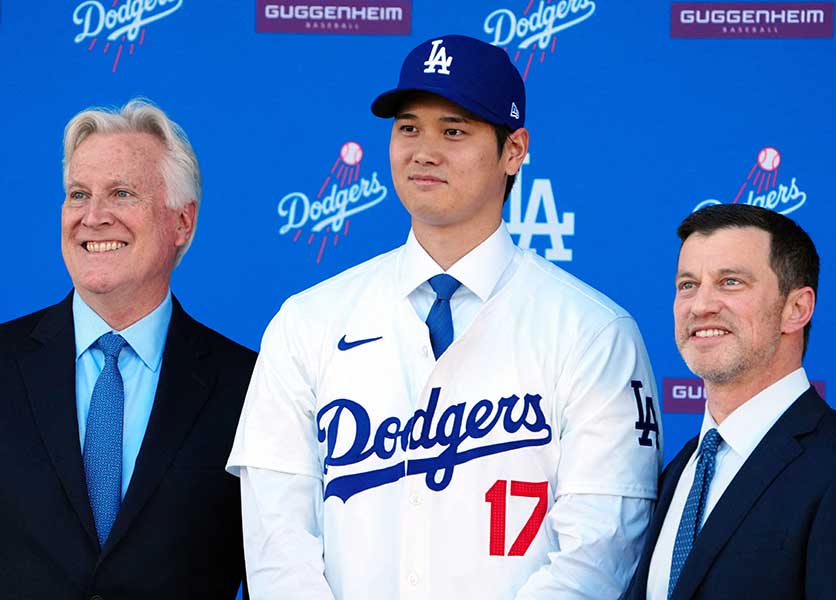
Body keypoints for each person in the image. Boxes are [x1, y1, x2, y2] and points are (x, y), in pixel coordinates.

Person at [228, 34, 662, 599]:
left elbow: (598, 554)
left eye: (453, 130)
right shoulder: (307, 322)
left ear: (514, 150)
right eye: (408, 127)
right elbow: (277, 546)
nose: (423, 151)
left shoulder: (594, 332)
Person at [0, 98, 255, 599]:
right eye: (78, 194)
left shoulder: (250, 385)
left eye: (121, 193)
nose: (93, 217)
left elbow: (277, 567)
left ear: (182, 222)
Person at [626, 204, 836, 600]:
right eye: (687, 285)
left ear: (797, 308)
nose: (701, 305)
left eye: (730, 282)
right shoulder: (679, 471)